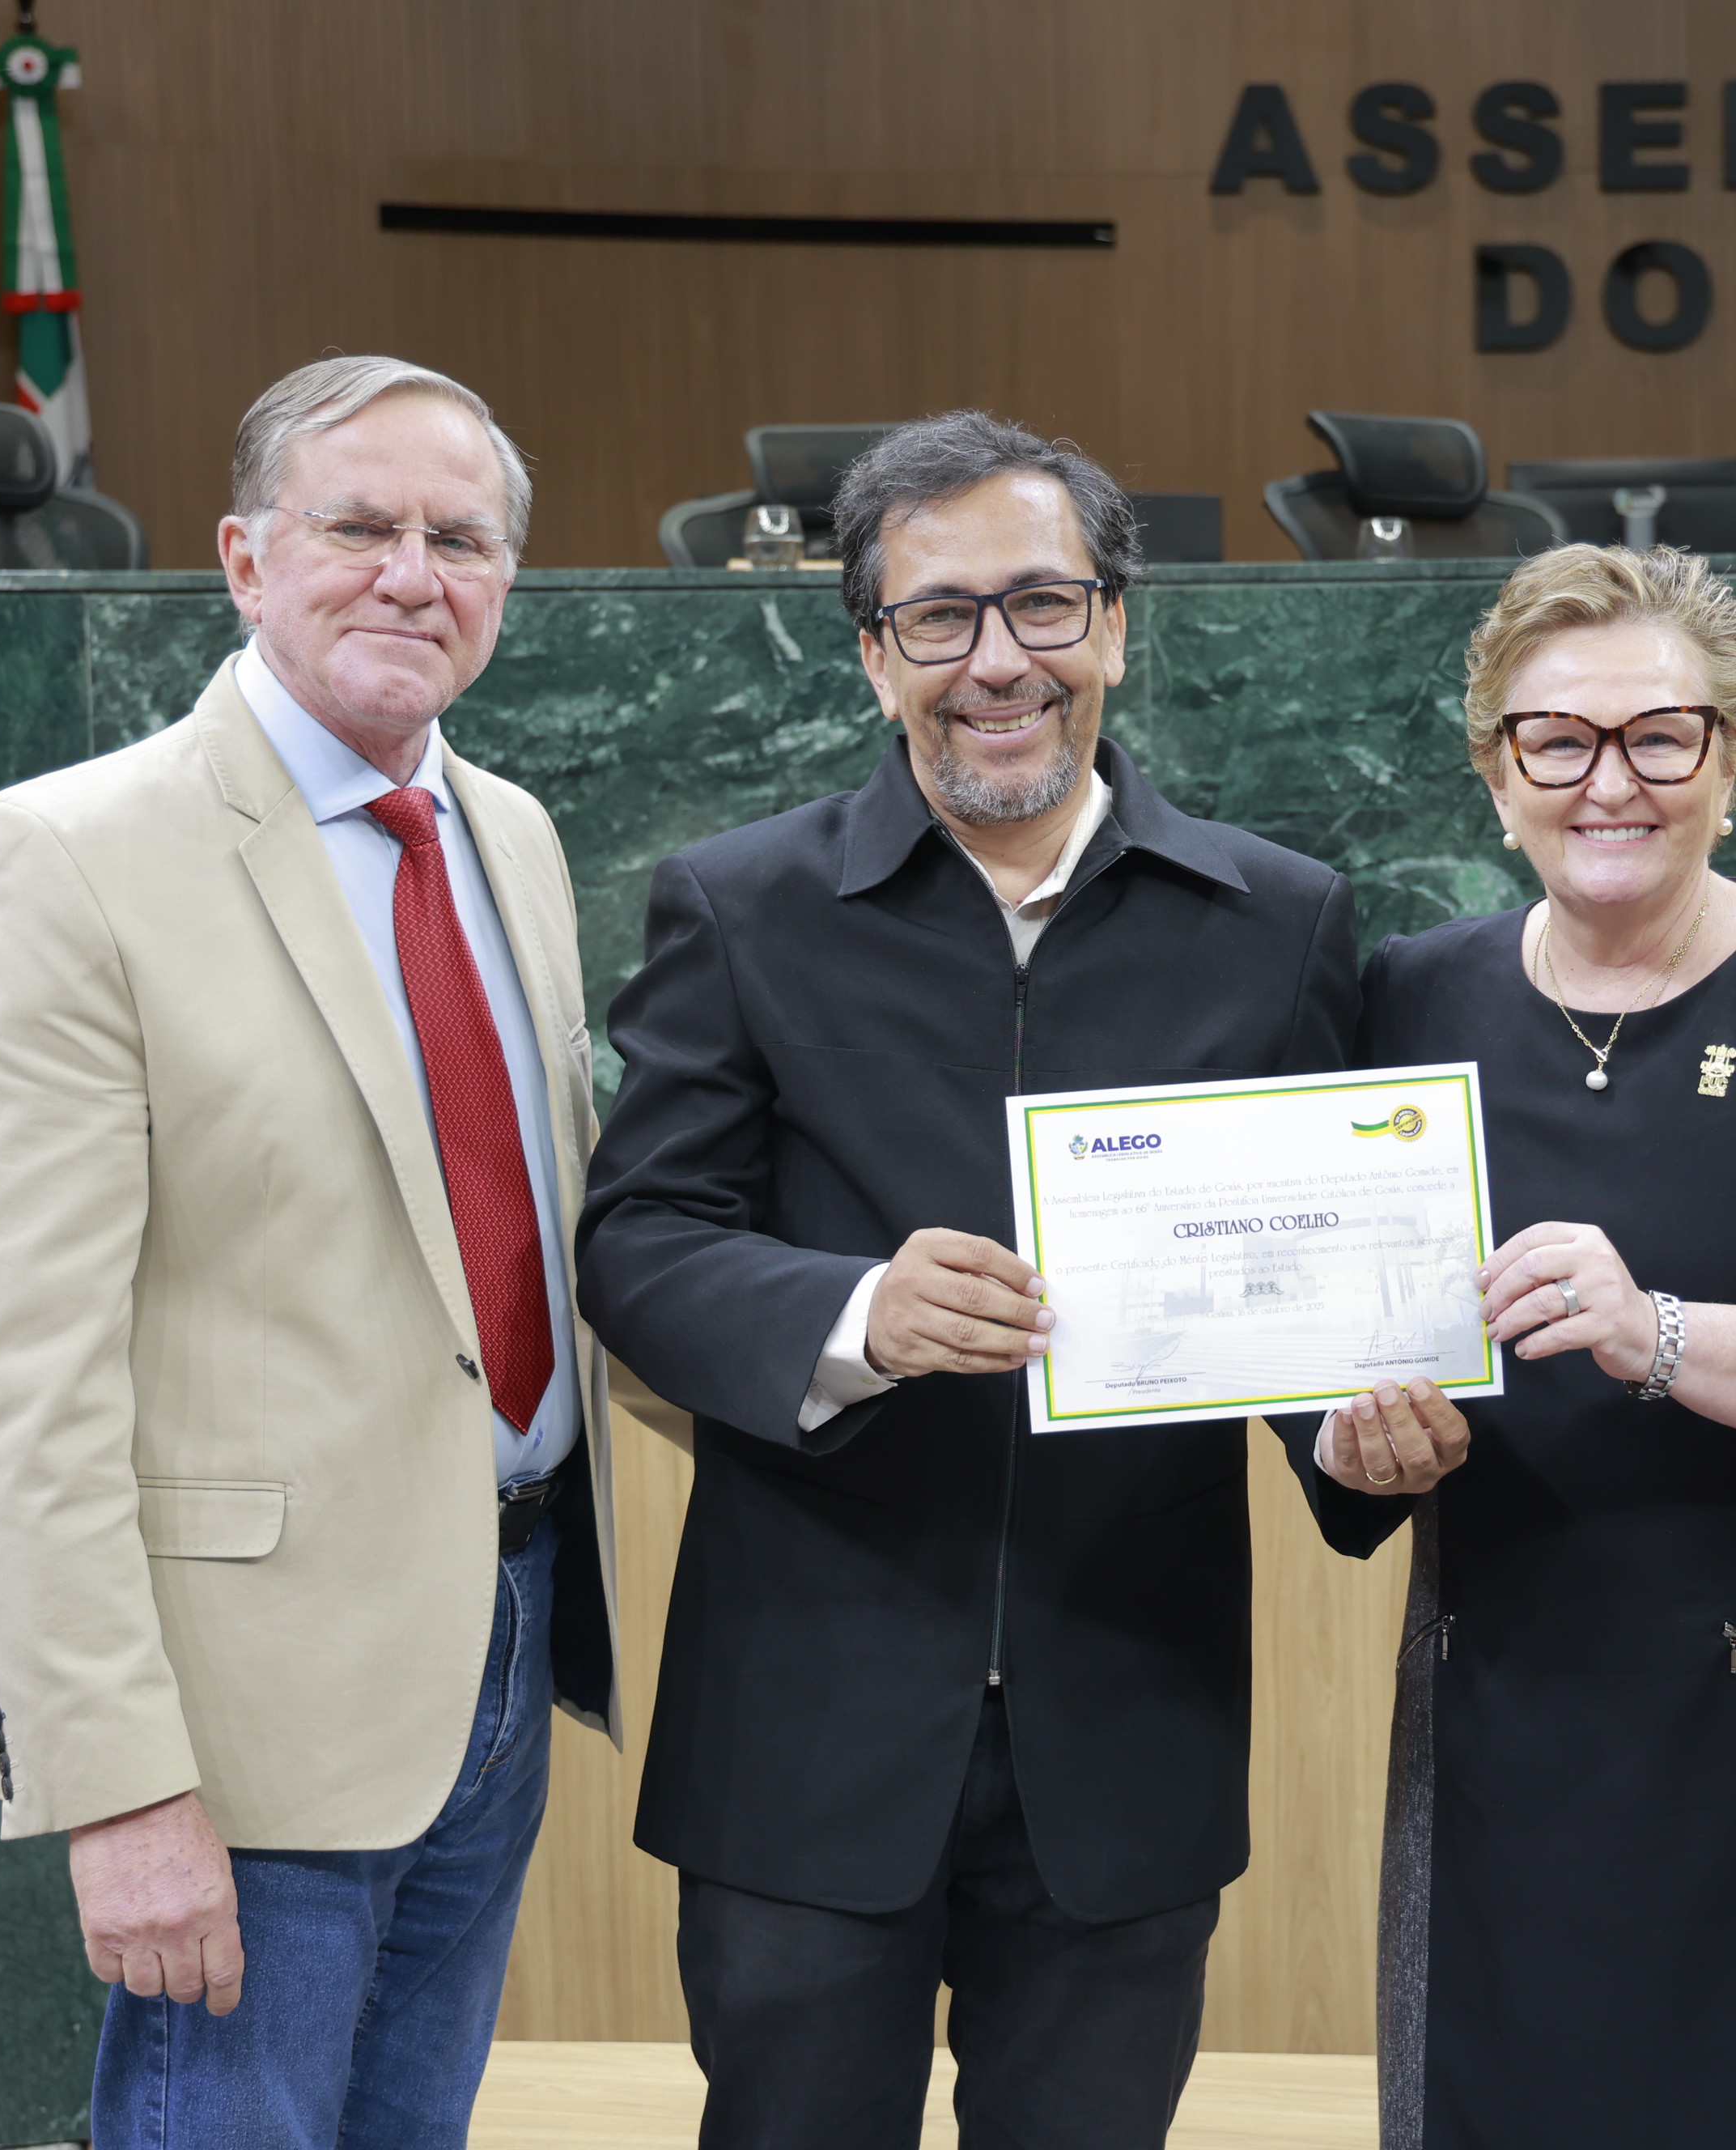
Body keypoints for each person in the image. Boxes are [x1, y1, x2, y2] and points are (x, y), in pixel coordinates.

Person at [574, 410, 1360, 2149]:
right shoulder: (741, 905)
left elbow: (1307, 1284)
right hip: (804, 1723)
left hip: (1130, 1717)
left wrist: (1361, 1444)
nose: (997, 661)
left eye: (1042, 604)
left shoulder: (1280, 920)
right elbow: (639, 1240)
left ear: (1116, 628)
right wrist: (854, 1316)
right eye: (939, 616)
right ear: (875, 657)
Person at [0, 355, 618, 2146]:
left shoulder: (511, 835)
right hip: (238, 1729)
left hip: (504, 1643)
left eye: (462, 539)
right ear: (244, 558)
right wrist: (119, 1783)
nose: (413, 575)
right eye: (359, 526)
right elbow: (10, 1383)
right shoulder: (64, 857)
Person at [1293, 543, 1736, 2150]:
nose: (1608, 782)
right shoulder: (1412, 995)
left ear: (1729, 761)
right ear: (1497, 775)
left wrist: (1660, 1333)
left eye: (1660, 737)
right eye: (1558, 740)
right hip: (1500, 1699)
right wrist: (1351, 1444)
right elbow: (1338, 1324)